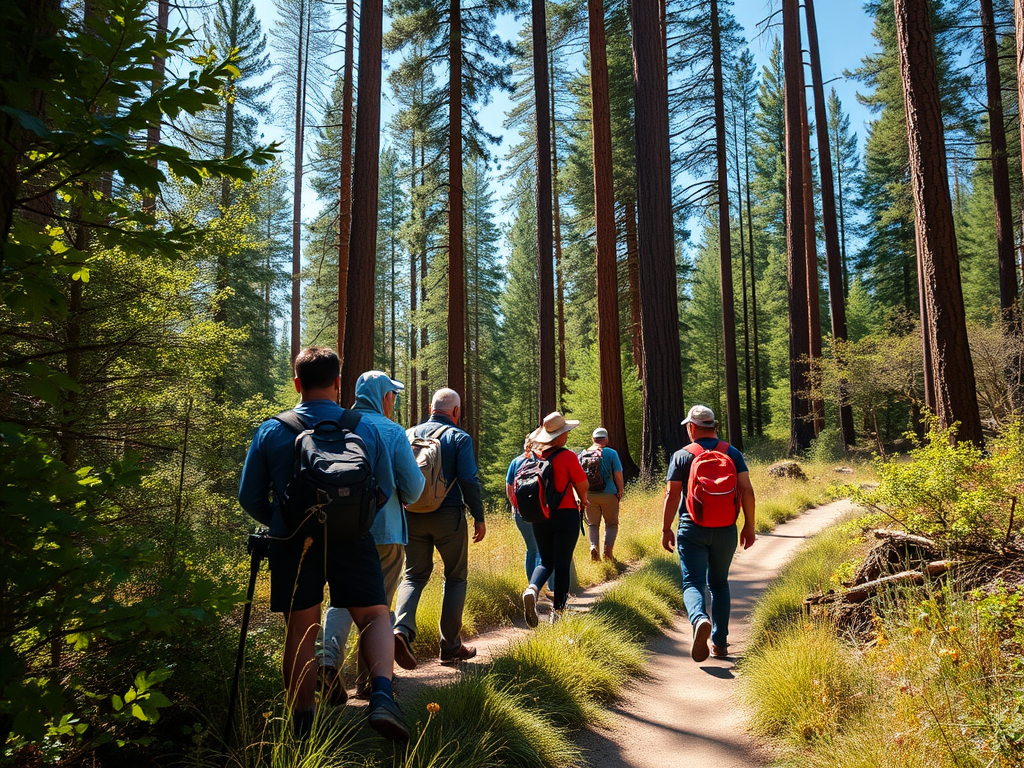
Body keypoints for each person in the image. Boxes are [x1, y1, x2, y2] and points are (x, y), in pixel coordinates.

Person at [238, 347, 409, 741]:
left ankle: (303, 725)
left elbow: (249, 497)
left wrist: (285, 525)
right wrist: (357, 518)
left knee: (301, 628)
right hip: (354, 536)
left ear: (296, 383)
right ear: (337, 383)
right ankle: (382, 696)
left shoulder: (272, 429)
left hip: (295, 543)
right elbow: (382, 487)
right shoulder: (362, 427)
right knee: (376, 616)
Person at [321, 371, 425, 699]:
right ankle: (371, 682)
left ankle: (326, 662)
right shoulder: (391, 431)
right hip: (384, 531)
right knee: (377, 608)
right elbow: (413, 488)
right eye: (392, 394)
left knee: (341, 600)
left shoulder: (334, 425)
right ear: (383, 396)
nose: (393, 400)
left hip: (338, 531)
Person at [393, 388, 485, 664]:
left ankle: (401, 629)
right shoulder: (459, 437)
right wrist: (478, 516)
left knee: (413, 576)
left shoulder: (408, 434)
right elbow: (469, 479)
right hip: (448, 517)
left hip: (411, 515)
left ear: (431, 408)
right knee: (455, 577)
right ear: (456, 411)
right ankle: (450, 646)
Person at [660, 405, 756, 663]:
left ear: (692, 428)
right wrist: (749, 525)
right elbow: (747, 491)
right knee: (719, 583)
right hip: (726, 528)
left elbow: (672, 495)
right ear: (714, 426)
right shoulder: (732, 453)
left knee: (693, 582)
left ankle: (699, 619)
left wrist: (666, 527)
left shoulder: (682, 456)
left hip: (692, 528)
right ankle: (720, 643)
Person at [521, 412, 590, 627]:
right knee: (562, 564)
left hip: (540, 516)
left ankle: (532, 588)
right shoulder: (568, 456)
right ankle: (557, 614)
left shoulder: (534, 456)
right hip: (566, 514)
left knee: (546, 560)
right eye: (566, 433)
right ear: (559, 437)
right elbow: (582, 484)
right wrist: (584, 499)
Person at [579, 427, 625, 562]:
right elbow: (618, 474)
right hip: (609, 493)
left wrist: (581, 496)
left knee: (593, 525)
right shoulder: (611, 453)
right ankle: (608, 553)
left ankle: (594, 547)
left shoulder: (582, 454)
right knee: (611, 524)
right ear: (606, 439)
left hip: (589, 495)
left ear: (593, 439)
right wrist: (620, 490)